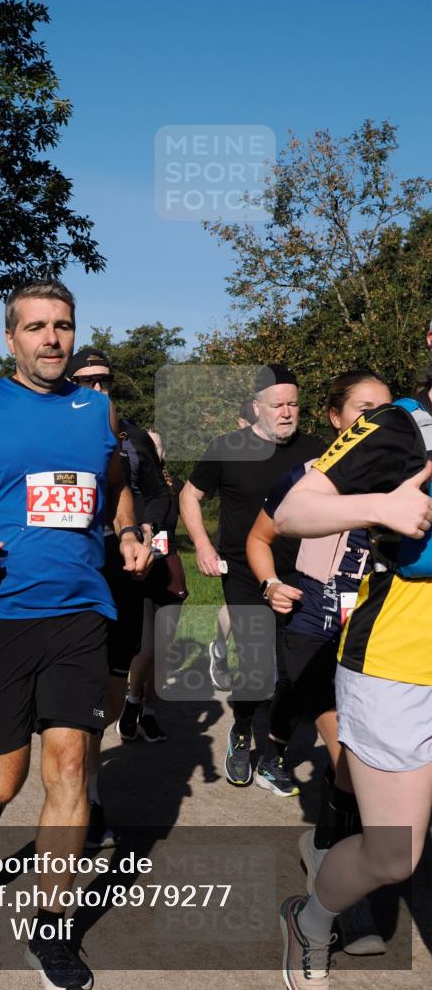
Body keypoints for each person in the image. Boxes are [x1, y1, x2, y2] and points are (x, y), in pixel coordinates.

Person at [0, 280, 151, 990]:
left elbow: (114, 488)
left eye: (63, 326)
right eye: (37, 327)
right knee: (3, 779)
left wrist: (127, 530)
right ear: (10, 338)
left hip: (79, 609)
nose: (52, 338)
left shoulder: (96, 408)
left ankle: (52, 931)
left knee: (71, 768)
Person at [275, 393, 432, 989]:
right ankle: (312, 920)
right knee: (395, 855)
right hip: (401, 668)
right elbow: (293, 509)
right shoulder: (401, 427)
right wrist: (382, 507)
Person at [248, 371, 392, 953]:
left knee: (359, 770)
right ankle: (342, 910)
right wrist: (270, 585)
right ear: (335, 418)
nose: (378, 422)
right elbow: (259, 538)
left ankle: (324, 855)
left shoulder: (410, 478)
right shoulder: (308, 478)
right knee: (351, 762)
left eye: (387, 410)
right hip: (313, 636)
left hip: (376, 643)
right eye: (363, 410)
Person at [181, 366, 325, 787]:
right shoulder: (228, 447)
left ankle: (275, 753)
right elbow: (190, 495)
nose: (286, 412)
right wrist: (203, 546)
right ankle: (243, 727)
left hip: (302, 574)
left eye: (293, 404)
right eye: (277, 404)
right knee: (259, 667)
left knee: (297, 669)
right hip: (243, 573)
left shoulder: (318, 451)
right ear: (257, 407)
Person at [64, 346, 169, 851]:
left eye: (104, 380)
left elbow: (158, 491)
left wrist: (143, 525)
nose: (98, 389)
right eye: (86, 380)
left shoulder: (134, 435)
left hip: (123, 568)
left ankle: (90, 788)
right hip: (71, 571)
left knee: (108, 687)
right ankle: (77, 799)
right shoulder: (50, 429)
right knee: (70, 690)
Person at [116, 428, 188, 744]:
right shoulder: (127, 489)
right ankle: (132, 703)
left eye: (158, 444)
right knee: (146, 648)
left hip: (169, 569)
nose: (153, 448)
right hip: (140, 572)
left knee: (165, 650)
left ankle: (151, 713)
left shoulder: (174, 488)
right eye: (148, 443)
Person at [209, 397, 258, 691]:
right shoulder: (228, 451)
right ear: (240, 423)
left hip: (278, 542)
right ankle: (220, 649)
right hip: (236, 544)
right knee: (238, 604)